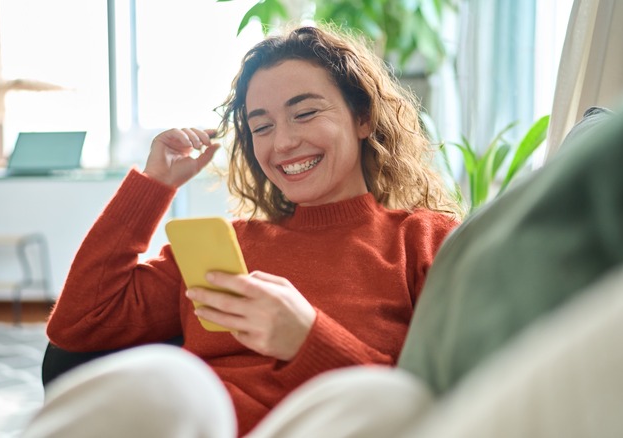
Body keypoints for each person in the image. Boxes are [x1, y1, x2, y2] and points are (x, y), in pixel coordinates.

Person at [27, 25, 460, 437]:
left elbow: (439, 403)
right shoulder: (224, 248)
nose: (283, 143)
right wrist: (153, 186)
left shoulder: (424, 241)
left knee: (394, 398)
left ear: (362, 117)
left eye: (305, 113)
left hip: (334, 426)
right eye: (262, 127)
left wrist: (308, 339)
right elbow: (78, 326)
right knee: (170, 378)